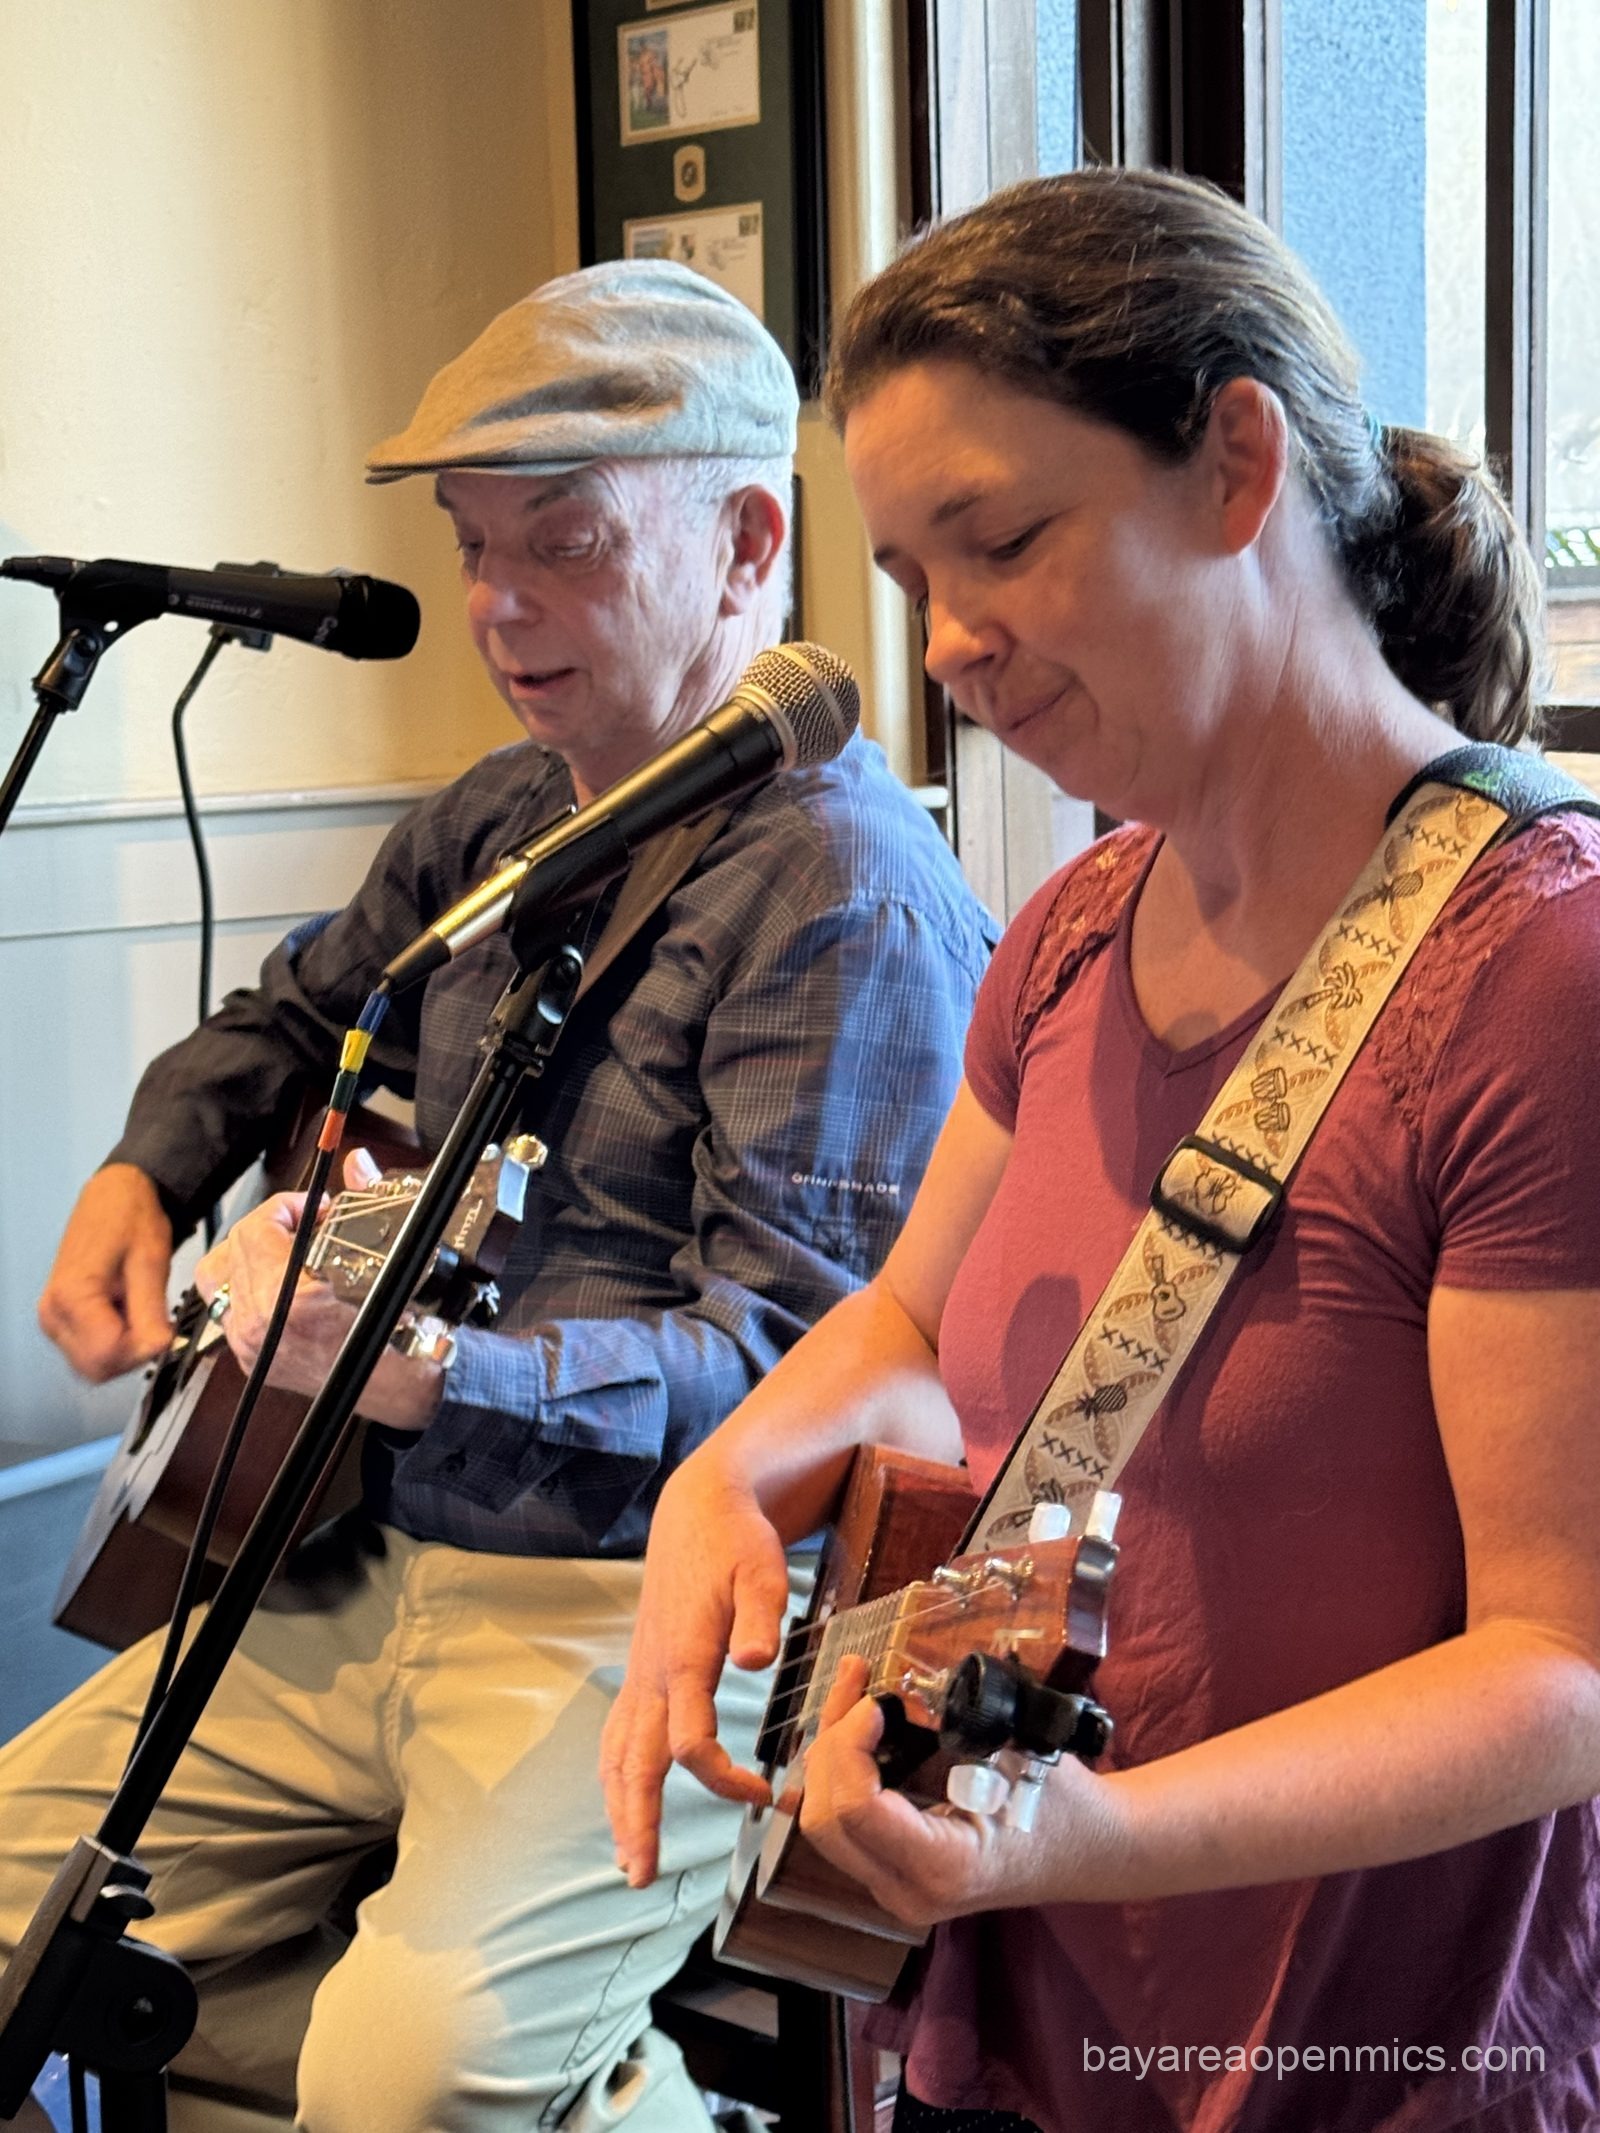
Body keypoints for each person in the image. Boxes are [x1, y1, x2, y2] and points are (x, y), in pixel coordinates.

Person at [601, 170, 1600, 2133]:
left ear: (1236, 462)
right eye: (907, 585)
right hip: (1023, 1996)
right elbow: (908, 1323)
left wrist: (1088, 1833)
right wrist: (724, 1480)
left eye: (1000, 542)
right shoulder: (1063, 933)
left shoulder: (1533, 964)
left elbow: (1557, 1661)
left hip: (1352, 2053)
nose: (949, 645)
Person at [4, 259, 995, 2132]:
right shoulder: (503, 812)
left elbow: (790, 1362)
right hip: (359, 1555)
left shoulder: (846, 894)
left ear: (745, 542)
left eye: (564, 546)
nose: (496, 608)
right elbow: (303, 1002)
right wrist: (151, 1164)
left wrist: (437, 1373)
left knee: (412, 2079)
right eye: (471, 551)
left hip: (641, 1606)